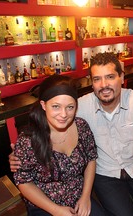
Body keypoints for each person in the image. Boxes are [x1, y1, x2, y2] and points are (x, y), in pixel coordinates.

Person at [10, 52, 133, 216]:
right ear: (92, 83)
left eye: (110, 77)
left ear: (122, 77)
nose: (104, 84)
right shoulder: (80, 107)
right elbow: (50, 118)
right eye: (97, 79)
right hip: (105, 174)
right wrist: (19, 155)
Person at [12, 75, 106, 216]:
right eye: (56, 106)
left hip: (79, 197)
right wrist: (55, 210)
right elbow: (24, 182)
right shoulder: (28, 140)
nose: (63, 114)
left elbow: (91, 159)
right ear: (44, 105)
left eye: (70, 107)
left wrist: (86, 197)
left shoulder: (81, 126)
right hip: (44, 204)